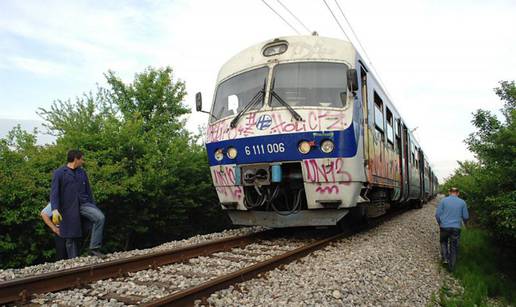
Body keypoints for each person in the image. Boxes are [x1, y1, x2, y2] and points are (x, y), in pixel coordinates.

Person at [50, 149, 106, 258]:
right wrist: (55, 209)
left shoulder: (82, 172)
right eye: (82, 159)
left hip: (84, 205)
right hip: (68, 209)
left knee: (100, 217)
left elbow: (88, 191)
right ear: (76, 159)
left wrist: (92, 205)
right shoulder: (59, 173)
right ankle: (73, 262)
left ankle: (94, 248)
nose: (83, 161)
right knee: (71, 237)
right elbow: (54, 193)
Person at [435, 187, 469, 271]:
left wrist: (440, 223)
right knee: (454, 246)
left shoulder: (443, 201)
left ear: (449, 192)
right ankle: (452, 267)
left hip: (444, 226)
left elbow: (437, 215)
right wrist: (464, 223)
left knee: (443, 242)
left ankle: (445, 259)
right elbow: (466, 217)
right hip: (456, 228)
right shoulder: (462, 202)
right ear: (458, 193)